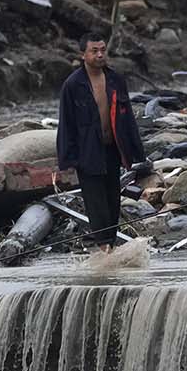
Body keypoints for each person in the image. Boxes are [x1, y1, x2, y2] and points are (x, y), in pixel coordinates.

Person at [55, 32, 148, 250]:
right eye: (94, 51)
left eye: (103, 50)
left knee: (113, 199)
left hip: (112, 149)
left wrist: (136, 151)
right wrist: (66, 161)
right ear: (82, 54)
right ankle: (104, 247)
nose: (99, 55)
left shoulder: (116, 80)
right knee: (95, 202)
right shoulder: (73, 85)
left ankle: (110, 244)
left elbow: (127, 118)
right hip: (87, 152)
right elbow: (66, 123)